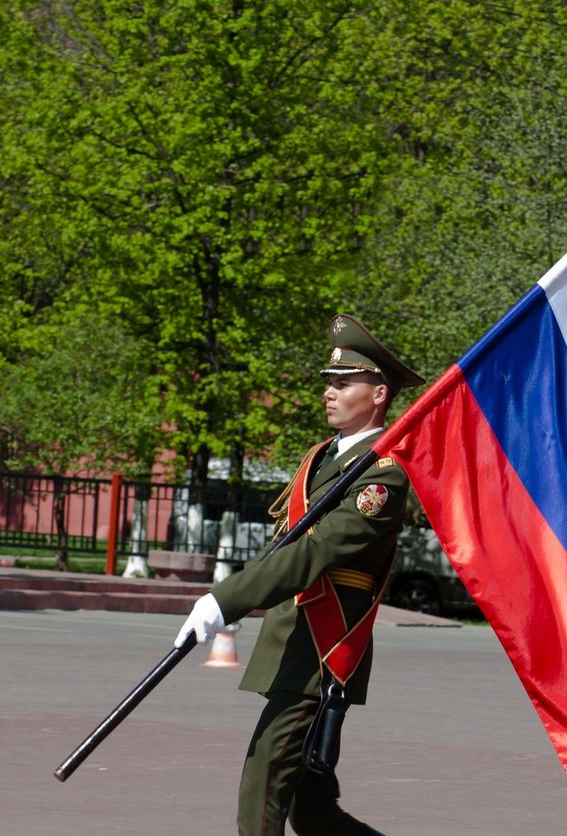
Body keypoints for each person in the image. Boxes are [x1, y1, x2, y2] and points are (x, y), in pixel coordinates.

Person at [175, 314, 424, 836]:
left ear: (379, 394)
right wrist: (238, 598)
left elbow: (315, 552)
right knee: (312, 811)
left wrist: (227, 598)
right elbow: (282, 547)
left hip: (324, 649)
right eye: (329, 382)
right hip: (292, 642)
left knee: (262, 788)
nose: (329, 392)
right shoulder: (321, 459)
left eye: (344, 384)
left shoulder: (385, 476)